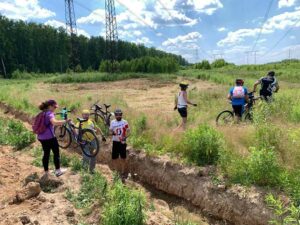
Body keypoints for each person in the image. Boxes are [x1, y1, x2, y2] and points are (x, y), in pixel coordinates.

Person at [37, 100, 68, 177]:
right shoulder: (49, 114)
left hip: (41, 137)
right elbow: (54, 122)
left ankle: (46, 172)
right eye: (54, 107)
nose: (55, 108)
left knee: (46, 154)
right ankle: (58, 171)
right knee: (56, 153)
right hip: (49, 137)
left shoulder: (42, 113)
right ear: (50, 106)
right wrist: (65, 121)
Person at [75, 109, 106, 174]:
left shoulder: (91, 121)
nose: (86, 116)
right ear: (82, 115)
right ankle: (84, 171)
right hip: (84, 142)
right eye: (85, 115)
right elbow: (76, 131)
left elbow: (97, 128)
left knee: (93, 155)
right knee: (87, 156)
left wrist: (102, 135)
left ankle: (92, 170)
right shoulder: (79, 123)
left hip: (93, 140)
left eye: (87, 115)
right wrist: (78, 138)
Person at [109, 109, 130, 180]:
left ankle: (123, 172)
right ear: (115, 115)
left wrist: (125, 137)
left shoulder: (125, 122)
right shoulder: (112, 122)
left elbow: (128, 131)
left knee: (123, 158)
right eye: (117, 115)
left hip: (122, 142)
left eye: (120, 114)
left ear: (121, 114)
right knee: (114, 158)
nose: (119, 116)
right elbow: (110, 131)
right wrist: (112, 133)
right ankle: (116, 172)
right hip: (115, 142)